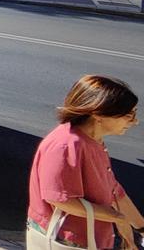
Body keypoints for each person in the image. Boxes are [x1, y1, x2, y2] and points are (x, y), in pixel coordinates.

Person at [28, 75, 143, 249]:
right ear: (99, 114)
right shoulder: (65, 145)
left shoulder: (94, 141)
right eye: (128, 115)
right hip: (68, 242)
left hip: (93, 241)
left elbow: (114, 191)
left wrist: (141, 227)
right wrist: (117, 218)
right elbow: (59, 199)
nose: (135, 121)